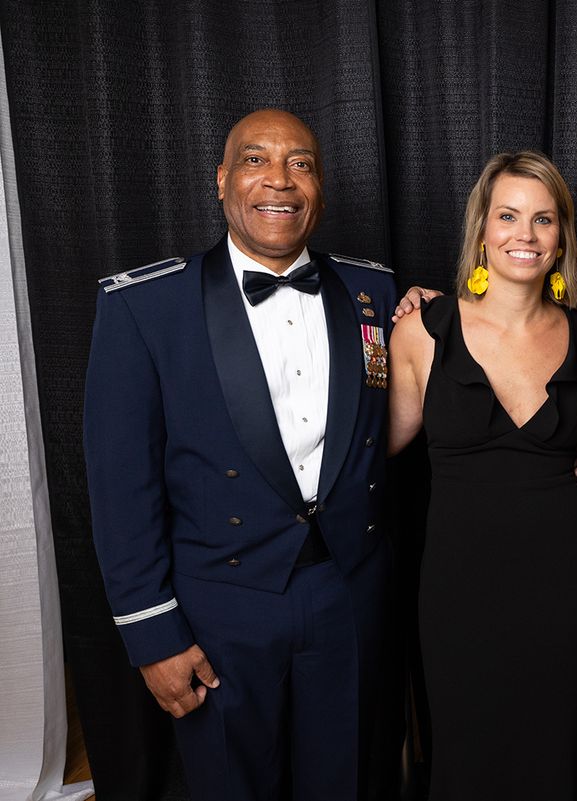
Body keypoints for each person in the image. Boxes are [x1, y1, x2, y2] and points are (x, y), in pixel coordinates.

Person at [83, 109, 398, 801]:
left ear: (321, 185)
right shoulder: (145, 306)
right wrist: (152, 637)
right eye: (256, 160)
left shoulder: (373, 291)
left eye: (301, 164)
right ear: (222, 179)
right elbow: (119, 489)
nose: (279, 180)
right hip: (217, 610)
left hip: (346, 594)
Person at [387, 151, 577, 800]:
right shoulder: (422, 333)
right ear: (481, 229)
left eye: (544, 220)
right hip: (460, 585)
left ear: (562, 237)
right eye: (508, 215)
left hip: (565, 583)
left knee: (560, 746)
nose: (526, 234)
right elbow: (369, 447)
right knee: (470, 747)